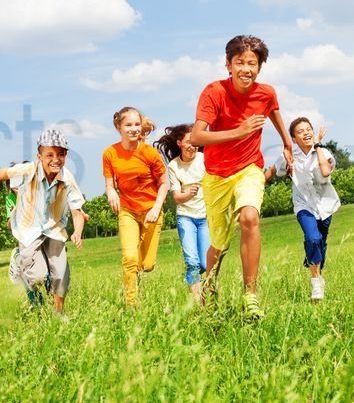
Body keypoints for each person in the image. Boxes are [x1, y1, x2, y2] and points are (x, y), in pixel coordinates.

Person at [191, 35, 292, 320]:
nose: (246, 69)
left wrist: (286, 142)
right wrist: (241, 131)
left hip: (249, 168)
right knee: (220, 244)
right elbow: (197, 136)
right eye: (240, 62)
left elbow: (273, 112)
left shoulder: (266, 92)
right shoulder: (213, 92)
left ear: (259, 67)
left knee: (249, 217)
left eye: (252, 63)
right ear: (228, 64)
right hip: (216, 176)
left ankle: (250, 296)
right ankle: (208, 290)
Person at [0, 128, 86, 317]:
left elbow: (77, 211)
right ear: (39, 156)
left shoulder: (67, 178)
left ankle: (58, 315)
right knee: (37, 277)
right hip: (28, 229)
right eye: (49, 155)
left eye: (60, 154)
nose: (55, 159)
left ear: (66, 155)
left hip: (54, 229)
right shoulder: (28, 170)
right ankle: (21, 264)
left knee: (61, 276)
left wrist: (77, 231)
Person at [266, 118, 340, 301]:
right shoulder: (290, 155)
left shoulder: (323, 151)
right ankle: (316, 282)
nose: (306, 133)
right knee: (313, 238)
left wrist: (317, 146)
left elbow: (325, 172)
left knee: (320, 243)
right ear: (293, 138)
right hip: (303, 205)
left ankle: (315, 267)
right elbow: (272, 171)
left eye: (309, 129)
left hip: (325, 205)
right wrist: (254, 186)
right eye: (301, 131)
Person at [103, 106, 168, 307]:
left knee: (147, 265)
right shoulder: (110, 153)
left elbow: (165, 183)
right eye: (128, 125)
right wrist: (112, 191)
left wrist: (156, 208)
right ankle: (132, 305)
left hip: (151, 211)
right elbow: (109, 183)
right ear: (118, 127)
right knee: (129, 258)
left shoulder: (150, 153)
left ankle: (137, 272)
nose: (134, 129)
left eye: (137, 124)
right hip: (128, 212)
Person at [155, 123, 209, 305]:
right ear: (179, 143)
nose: (192, 145)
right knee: (192, 262)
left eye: (194, 141)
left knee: (206, 264)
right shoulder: (173, 166)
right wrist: (189, 194)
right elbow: (177, 197)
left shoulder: (204, 158)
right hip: (186, 217)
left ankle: (208, 296)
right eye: (188, 141)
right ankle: (197, 304)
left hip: (205, 218)